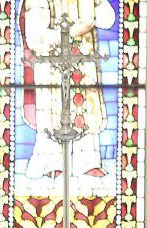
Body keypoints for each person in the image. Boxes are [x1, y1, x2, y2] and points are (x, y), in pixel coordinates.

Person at [20, 0, 115, 179]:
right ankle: (51, 162)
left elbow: (107, 20)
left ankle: (88, 161)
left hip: (84, 63)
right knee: (52, 110)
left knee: (84, 108)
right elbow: (35, 38)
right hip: (51, 65)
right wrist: (72, 32)